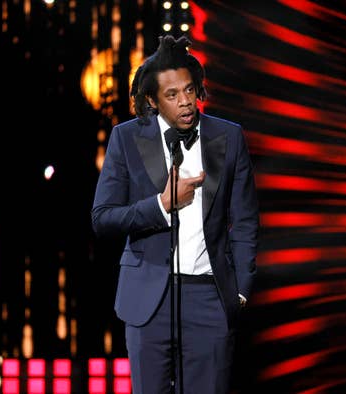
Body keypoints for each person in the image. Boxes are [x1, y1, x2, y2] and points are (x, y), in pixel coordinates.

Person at [91, 34, 259, 394]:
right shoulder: (125, 139)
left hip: (209, 296)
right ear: (151, 100)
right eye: (172, 95)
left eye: (189, 90)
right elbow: (102, 218)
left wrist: (240, 289)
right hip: (147, 299)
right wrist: (161, 205)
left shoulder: (229, 137)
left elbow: (244, 219)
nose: (185, 102)